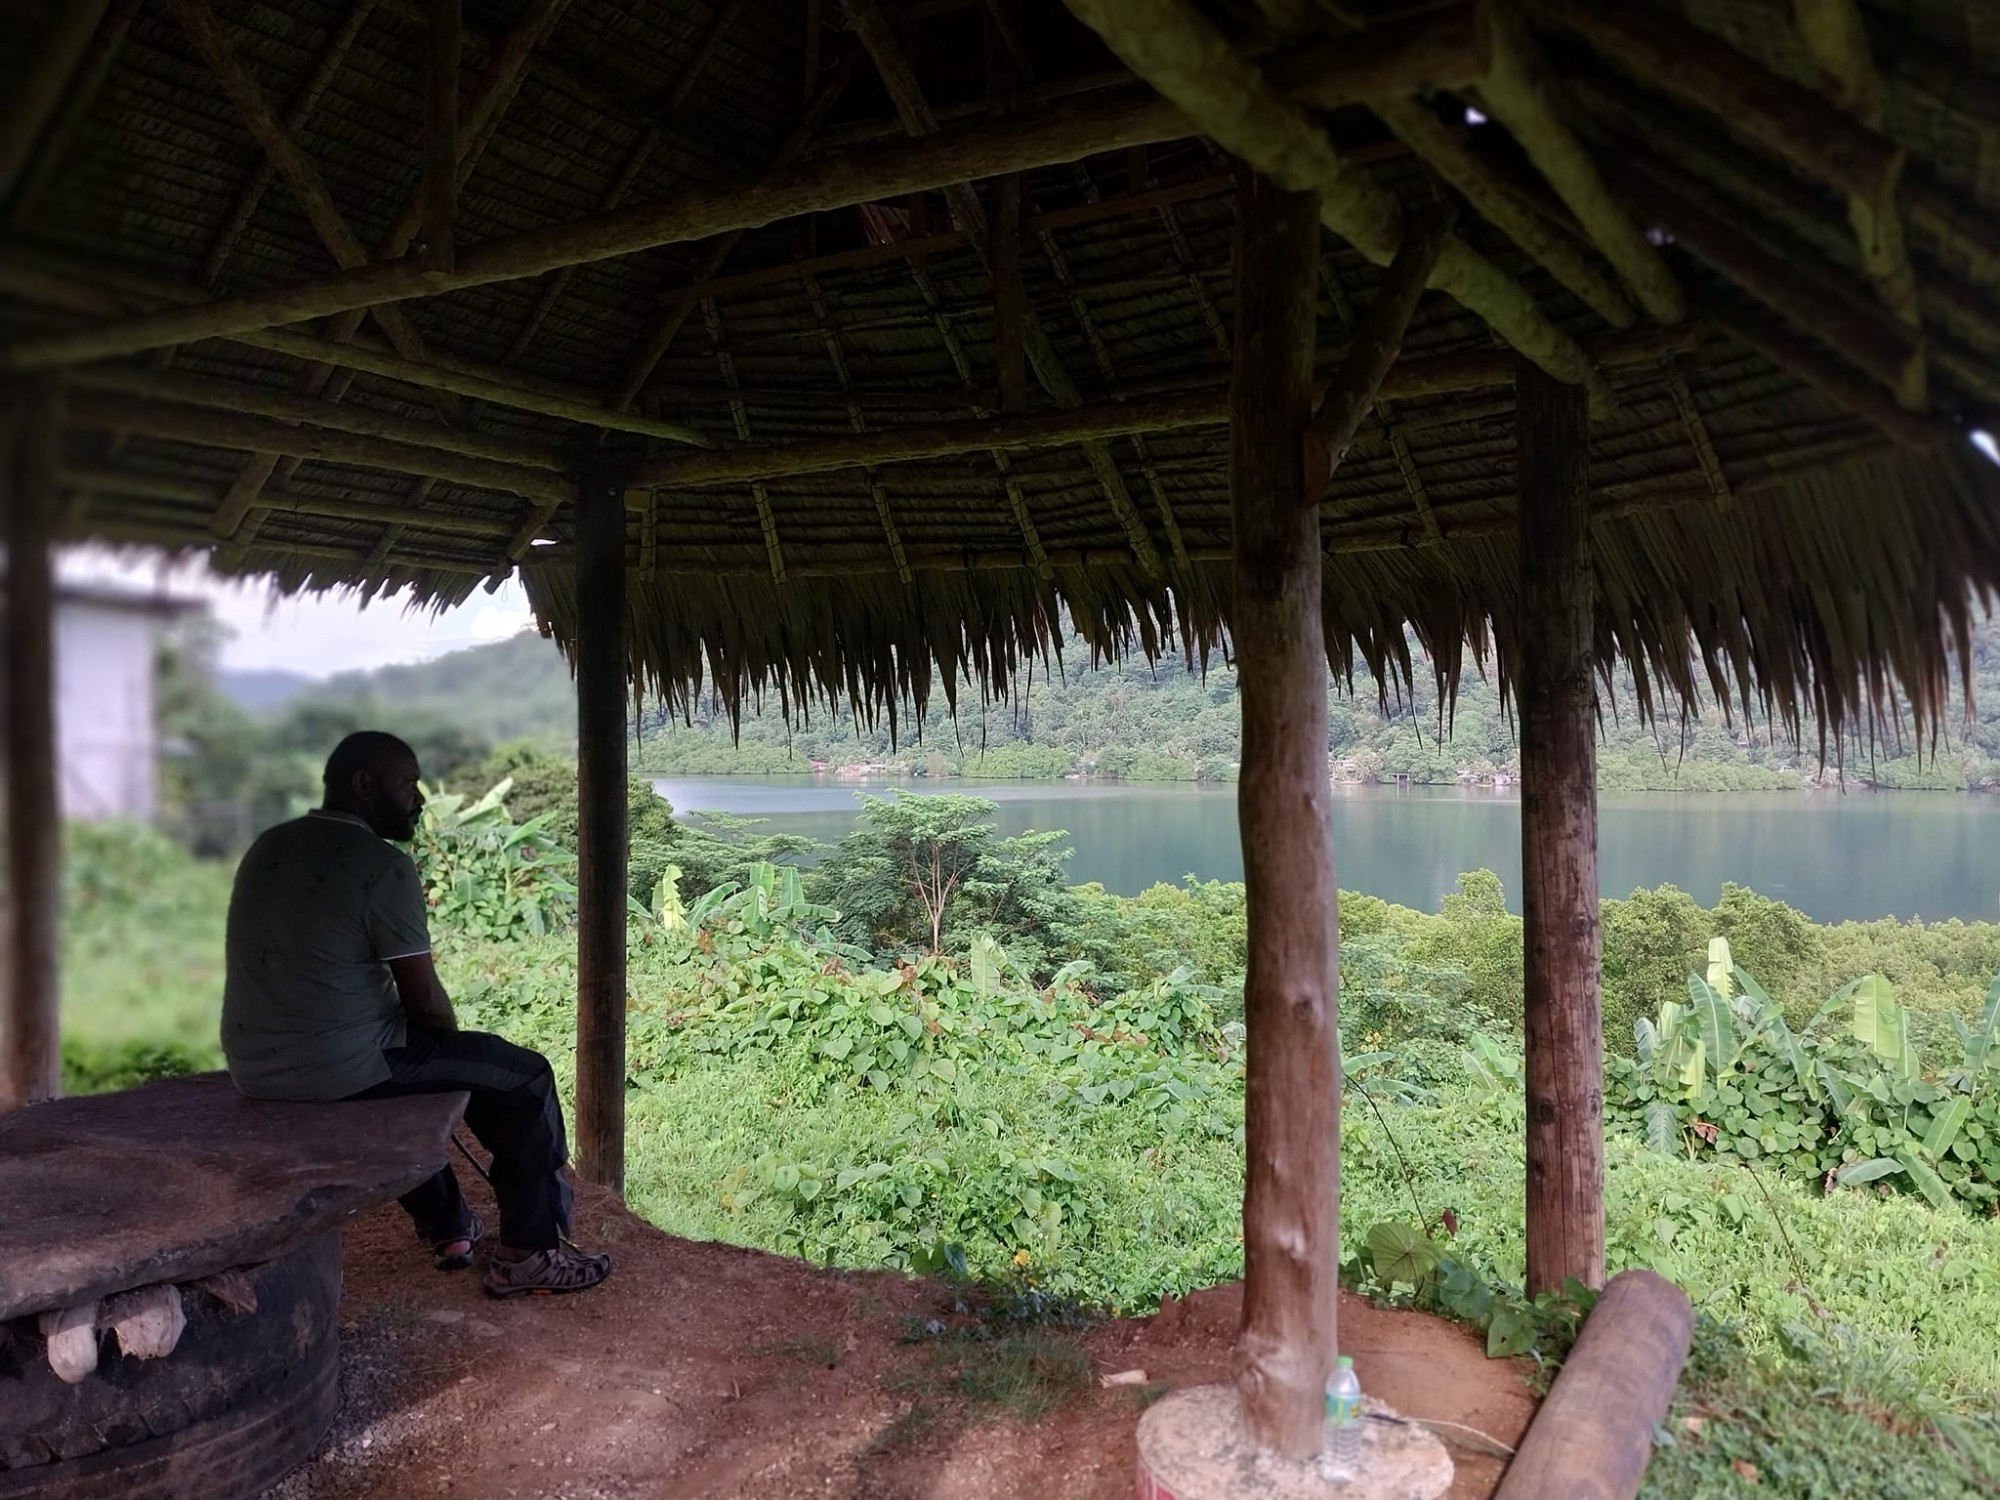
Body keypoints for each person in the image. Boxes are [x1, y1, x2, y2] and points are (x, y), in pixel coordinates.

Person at [221, 730, 612, 1297]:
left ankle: (451, 1228)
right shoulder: (382, 866)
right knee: (523, 1077)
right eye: (406, 783)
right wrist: (453, 1062)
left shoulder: (269, 846)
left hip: (254, 1064)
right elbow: (424, 1003)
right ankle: (530, 1253)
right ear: (362, 785)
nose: (419, 797)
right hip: (340, 1067)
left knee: (421, 1084)